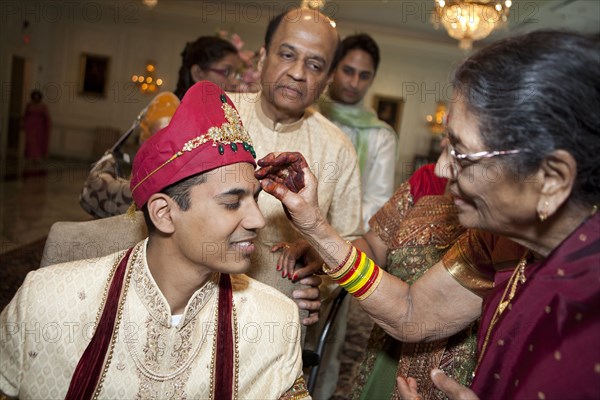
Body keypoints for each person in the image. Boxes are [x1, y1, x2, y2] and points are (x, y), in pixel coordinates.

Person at [255, 30, 600, 399]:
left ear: (551, 178)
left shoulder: (587, 309)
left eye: (463, 154)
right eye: (445, 146)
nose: (440, 170)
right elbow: (410, 312)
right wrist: (315, 227)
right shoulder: (494, 239)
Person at [0, 81, 310, 399]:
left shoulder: (274, 323)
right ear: (163, 213)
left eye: (255, 199)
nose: (258, 220)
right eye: (232, 202)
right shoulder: (47, 303)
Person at [226, 8, 363, 323]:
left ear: (327, 81)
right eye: (287, 55)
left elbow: (352, 238)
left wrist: (320, 267)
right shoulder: (218, 111)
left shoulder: (338, 148)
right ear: (263, 58)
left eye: (314, 65)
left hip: (285, 314)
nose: (298, 73)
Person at [80, 36, 244, 220]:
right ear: (197, 72)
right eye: (227, 71)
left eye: (237, 73)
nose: (235, 81)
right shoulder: (168, 105)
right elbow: (170, 173)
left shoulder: (216, 116)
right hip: (154, 217)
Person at [318, 33, 397, 226]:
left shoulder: (381, 136)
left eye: (364, 76)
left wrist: (327, 230)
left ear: (372, 79)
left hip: (346, 240)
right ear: (334, 67)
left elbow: (378, 202)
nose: (354, 83)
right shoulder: (310, 114)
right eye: (348, 71)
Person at [23, 89, 51, 164]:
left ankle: (37, 157)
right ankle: (30, 156)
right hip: (29, 126)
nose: (36, 98)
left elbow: (46, 117)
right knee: (30, 141)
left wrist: (47, 126)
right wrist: (23, 124)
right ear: (32, 97)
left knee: (38, 142)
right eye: (34, 97)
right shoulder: (29, 105)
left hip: (39, 127)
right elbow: (25, 115)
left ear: (40, 97)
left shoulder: (43, 106)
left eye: (37, 97)